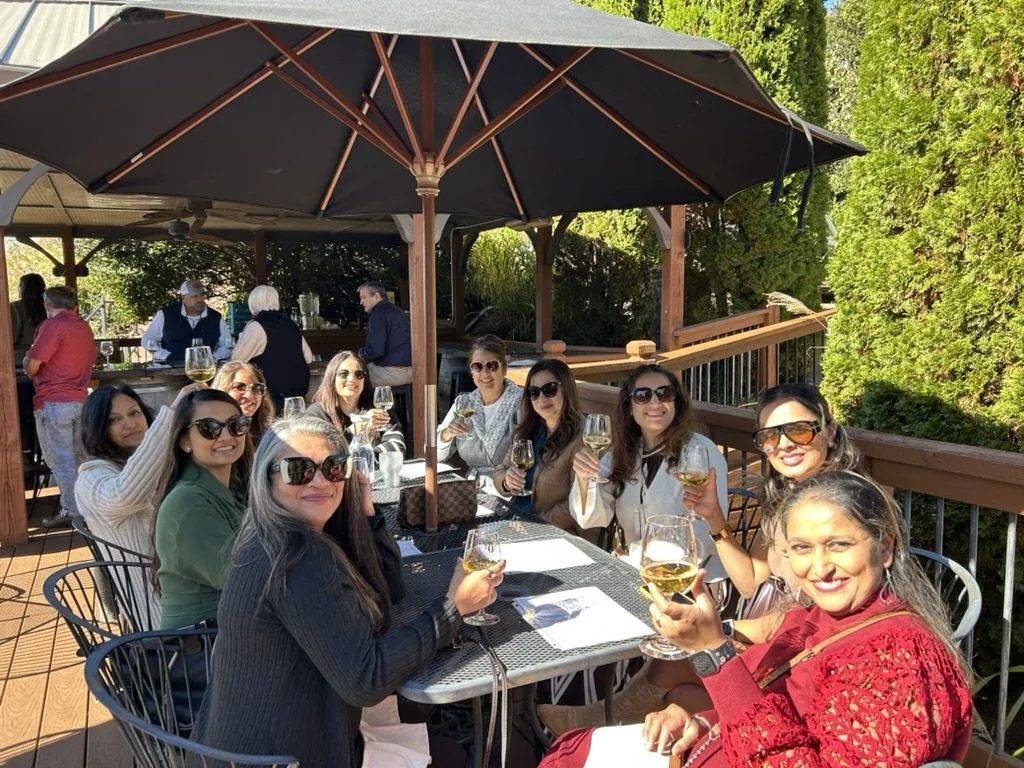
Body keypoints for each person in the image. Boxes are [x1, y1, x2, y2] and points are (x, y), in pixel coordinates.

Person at [539, 471, 973, 768]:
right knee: (573, 751)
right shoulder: (818, 618)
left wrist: (715, 651)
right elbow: (778, 703)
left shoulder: (899, 659)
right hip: (710, 747)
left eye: (839, 545)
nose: (819, 568)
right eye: (801, 548)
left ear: (885, 547)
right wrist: (704, 720)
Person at [188, 415, 505, 767]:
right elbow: (367, 680)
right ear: (267, 478)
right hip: (283, 758)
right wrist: (454, 608)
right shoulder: (298, 554)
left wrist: (365, 511)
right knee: (457, 755)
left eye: (335, 467)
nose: (322, 481)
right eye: (299, 470)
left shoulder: (273, 537)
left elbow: (390, 589)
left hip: (237, 750)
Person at [687, 382, 861, 600]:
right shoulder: (787, 494)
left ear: (830, 431)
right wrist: (714, 516)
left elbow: (818, 613)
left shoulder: (847, 504)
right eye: (770, 436)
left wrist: (726, 630)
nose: (785, 444)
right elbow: (751, 584)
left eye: (799, 430)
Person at [568, 364, 729, 564]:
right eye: (642, 395)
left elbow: (707, 537)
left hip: (695, 577)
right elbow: (591, 518)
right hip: (636, 570)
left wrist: (635, 554)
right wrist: (584, 479)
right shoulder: (624, 452)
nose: (654, 402)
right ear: (630, 407)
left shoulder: (701, 451)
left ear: (676, 403)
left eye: (664, 393)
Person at [75, 382, 200, 627]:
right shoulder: (91, 478)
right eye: (114, 420)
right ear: (98, 429)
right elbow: (125, 495)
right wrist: (171, 418)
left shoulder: (157, 465)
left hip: (191, 590)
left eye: (134, 413)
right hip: (160, 622)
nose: (130, 424)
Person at [153, 389, 251, 629]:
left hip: (231, 629)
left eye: (235, 425)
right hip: (201, 649)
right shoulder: (188, 503)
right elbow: (248, 582)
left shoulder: (232, 488)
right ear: (184, 440)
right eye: (210, 428)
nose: (226, 437)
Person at [23, 285, 95, 529]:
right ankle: (88, 508)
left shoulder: (51, 326)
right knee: (82, 458)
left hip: (54, 400)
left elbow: (32, 366)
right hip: (80, 400)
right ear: (73, 305)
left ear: (47, 305)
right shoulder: (84, 327)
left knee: (61, 460)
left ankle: (72, 511)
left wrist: (25, 360)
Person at [492, 360, 585, 532]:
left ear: (566, 389)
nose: (542, 398)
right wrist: (507, 481)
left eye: (549, 390)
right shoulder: (526, 431)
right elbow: (500, 470)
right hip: (514, 520)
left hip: (552, 533)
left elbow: (577, 503)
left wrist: (533, 526)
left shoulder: (581, 439)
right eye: (534, 392)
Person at [437, 335, 523, 475]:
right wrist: (446, 434)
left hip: (510, 486)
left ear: (504, 369)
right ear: (472, 372)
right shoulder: (464, 403)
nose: (485, 373)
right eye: (477, 366)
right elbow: (435, 455)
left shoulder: (521, 402)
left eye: (492, 365)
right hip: (472, 486)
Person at [231, 285, 312, 410]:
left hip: (270, 399)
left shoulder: (257, 326)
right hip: (298, 396)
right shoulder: (290, 324)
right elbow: (309, 357)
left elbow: (236, 359)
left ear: (253, 303)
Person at [306, 351, 405, 453]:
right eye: (343, 374)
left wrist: (364, 459)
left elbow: (397, 448)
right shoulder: (317, 414)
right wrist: (358, 427)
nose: (352, 379)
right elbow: (323, 452)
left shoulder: (378, 411)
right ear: (332, 378)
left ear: (364, 380)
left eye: (359, 374)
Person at [141, 279, 230, 365]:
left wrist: (213, 358)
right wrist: (165, 356)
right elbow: (147, 340)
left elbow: (227, 345)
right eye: (194, 296)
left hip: (204, 371)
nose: (200, 299)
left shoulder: (216, 318)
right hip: (170, 371)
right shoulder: (165, 315)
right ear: (183, 297)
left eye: (202, 295)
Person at [357, 280, 412, 386]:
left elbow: (375, 351)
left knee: (350, 378)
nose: (361, 302)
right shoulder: (396, 311)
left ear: (377, 296)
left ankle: (369, 403)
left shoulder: (379, 315)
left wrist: (359, 354)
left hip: (391, 373)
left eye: (364, 297)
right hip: (409, 371)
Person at [211, 361, 276, 446]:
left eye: (256, 388)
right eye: (239, 387)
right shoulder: (208, 433)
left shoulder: (271, 436)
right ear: (222, 390)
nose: (249, 396)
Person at [11, 273, 46, 361]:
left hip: (20, 357)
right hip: (46, 356)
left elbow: (12, 337)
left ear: (23, 288)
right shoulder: (51, 306)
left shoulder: (15, 307)